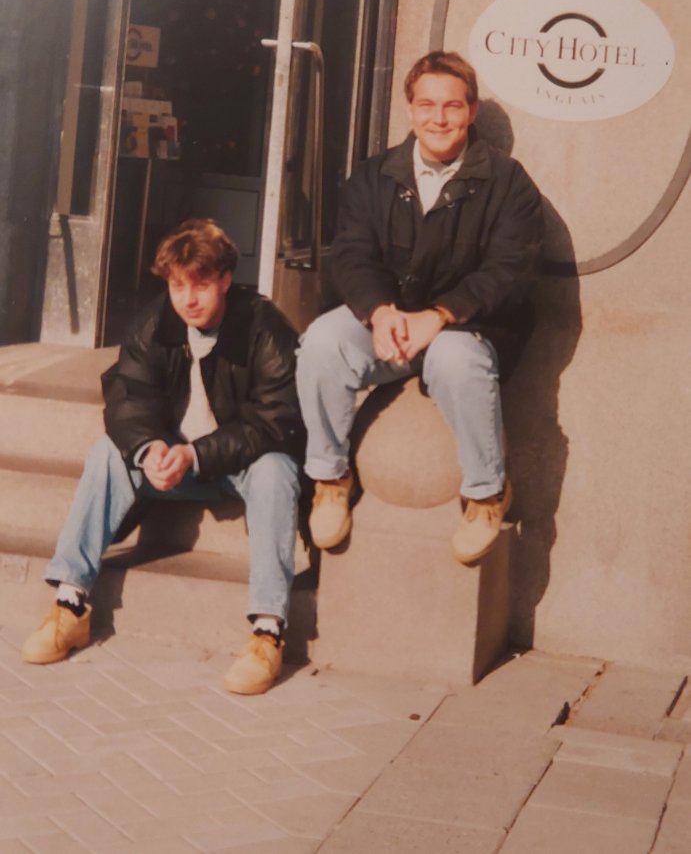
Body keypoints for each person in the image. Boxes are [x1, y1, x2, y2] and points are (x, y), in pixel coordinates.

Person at [21, 219, 305, 695]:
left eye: (201, 285)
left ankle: (268, 631)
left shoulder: (265, 327)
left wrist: (196, 454)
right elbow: (127, 395)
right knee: (107, 452)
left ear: (226, 280)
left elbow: (276, 421)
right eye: (178, 286)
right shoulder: (155, 321)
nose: (188, 299)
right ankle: (70, 604)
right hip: (171, 463)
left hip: (236, 466)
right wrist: (150, 447)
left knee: (277, 471)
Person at [296, 50, 543, 563]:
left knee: (457, 360)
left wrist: (442, 315)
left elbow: (510, 270)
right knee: (320, 343)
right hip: (390, 319)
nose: (439, 118)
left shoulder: (508, 183)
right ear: (409, 109)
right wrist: (379, 312)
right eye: (427, 105)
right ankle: (331, 479)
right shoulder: (373, 176)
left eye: (452, 106)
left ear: (472, 111)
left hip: (467, 325)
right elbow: (352, 255)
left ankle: (486, 493)